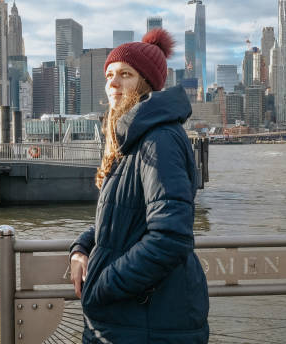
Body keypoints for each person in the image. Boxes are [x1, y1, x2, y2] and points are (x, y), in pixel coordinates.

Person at [69, 29, 209, 343]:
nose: (112, 83)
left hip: (150, 322)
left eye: (125, 74)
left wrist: (102, 286)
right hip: (131, 319)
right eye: (109, 75)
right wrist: (81, 249)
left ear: (145, 82)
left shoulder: (157, 140)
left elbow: (170, 236)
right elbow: (122, 219)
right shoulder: (133, 139)